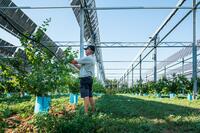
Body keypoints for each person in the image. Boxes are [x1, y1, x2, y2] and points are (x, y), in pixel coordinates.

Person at [71, 45, 95, 114]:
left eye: (86, 49)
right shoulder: (91, 59)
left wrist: (68, 59)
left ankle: (86, 113)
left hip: (84, 79)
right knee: (90, 96)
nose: (85, 51)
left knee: (86, 96)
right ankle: (93, 110)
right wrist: (73, 63)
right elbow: (80, 67)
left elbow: (75, 61)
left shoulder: (88, 58)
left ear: (90, 50)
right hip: (89, 78)